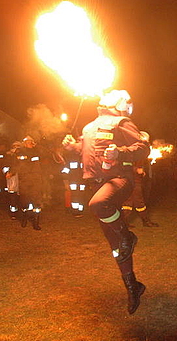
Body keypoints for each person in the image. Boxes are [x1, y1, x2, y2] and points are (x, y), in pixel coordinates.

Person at [62, 89, 149, 314]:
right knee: (116, 248)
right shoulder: (88, 127)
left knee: (98, 204)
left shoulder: (122, 122)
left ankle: (128, 236)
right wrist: (72, 147)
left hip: (119, 179)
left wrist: (119, 153)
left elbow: (142, 147)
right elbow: (87, 149)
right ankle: (133, 287)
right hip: (97, 183)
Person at [10, 135, 43, 230]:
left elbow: (45, 154)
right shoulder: (20, 153)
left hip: (36, 180)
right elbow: (15, 164)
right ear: (24, 144)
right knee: (24, 201)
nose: (29, 143)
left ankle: (36, 222)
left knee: (37, 202)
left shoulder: (37, 151)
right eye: (27, 142)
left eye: (31, 142)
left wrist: (37, 146)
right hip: (24, 180)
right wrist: (11, 172)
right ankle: (24, 218)